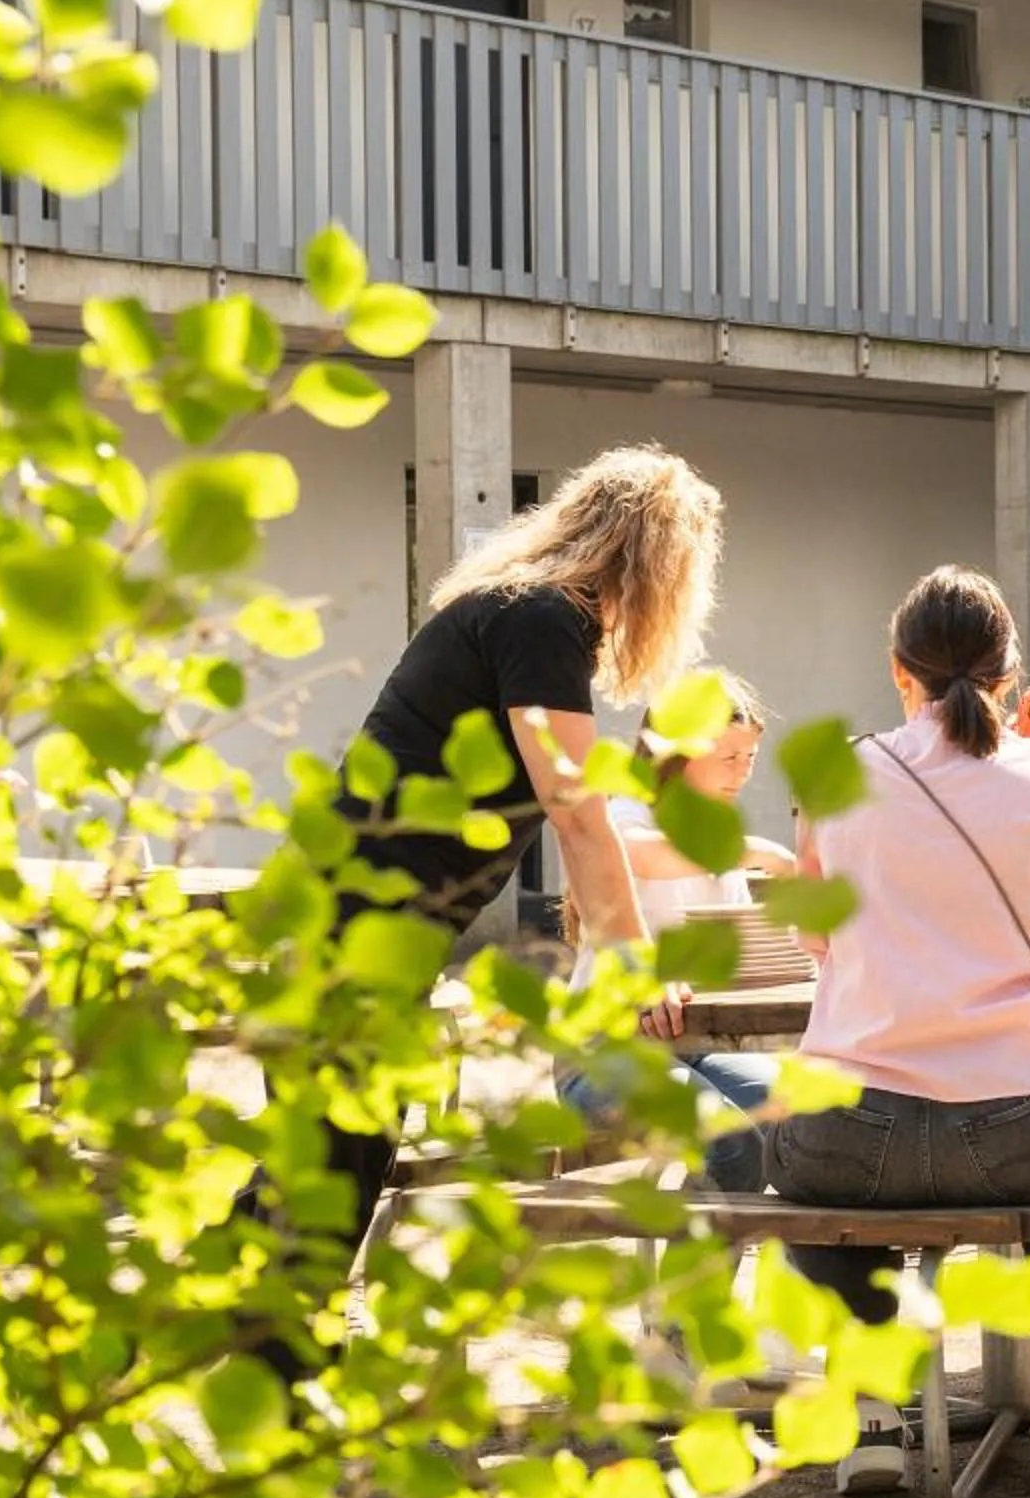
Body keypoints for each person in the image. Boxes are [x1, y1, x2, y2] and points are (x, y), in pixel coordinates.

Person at [257, 445, 727, 1380]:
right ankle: (252, 1372)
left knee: (326, 1161)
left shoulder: (522, 613)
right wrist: (637, 966)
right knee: (328, 1163)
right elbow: (578, 808)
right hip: (354, 929)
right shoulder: (544, 619)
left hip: (349, 923)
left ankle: (254, 1366)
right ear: (652, 558)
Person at [765, 566, 1030, 1498]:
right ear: (1011, 678)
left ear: (901, 674)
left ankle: (875, 1416)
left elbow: (814, 936)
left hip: (852, 1122)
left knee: (794, 1173)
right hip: (1018, 1120)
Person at [555, 671, 794, 1194]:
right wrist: (763, 853)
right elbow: (640, 856)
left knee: (803, 1116)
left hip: (693, 1048)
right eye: (728, 759)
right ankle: (690, 1275)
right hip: (601, 1058)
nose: (742, 774)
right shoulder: (625, 814)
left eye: (749, 759)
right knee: (732, 1146)